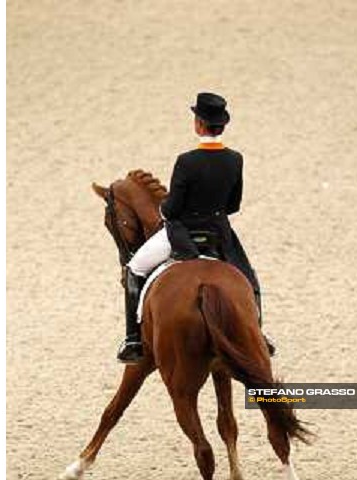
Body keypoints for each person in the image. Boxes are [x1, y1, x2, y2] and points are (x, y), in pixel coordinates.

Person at [117, 92, 275, 363]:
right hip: (219, 235)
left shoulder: (186, 160)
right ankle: (258, 334)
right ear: (221, 126)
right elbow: (233, 205)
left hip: (182, 233)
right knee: (249, 279)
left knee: (135, 269)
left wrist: (166, 209)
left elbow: (171, 208)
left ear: (199, 124)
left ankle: (133, 340)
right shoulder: (235, 159)